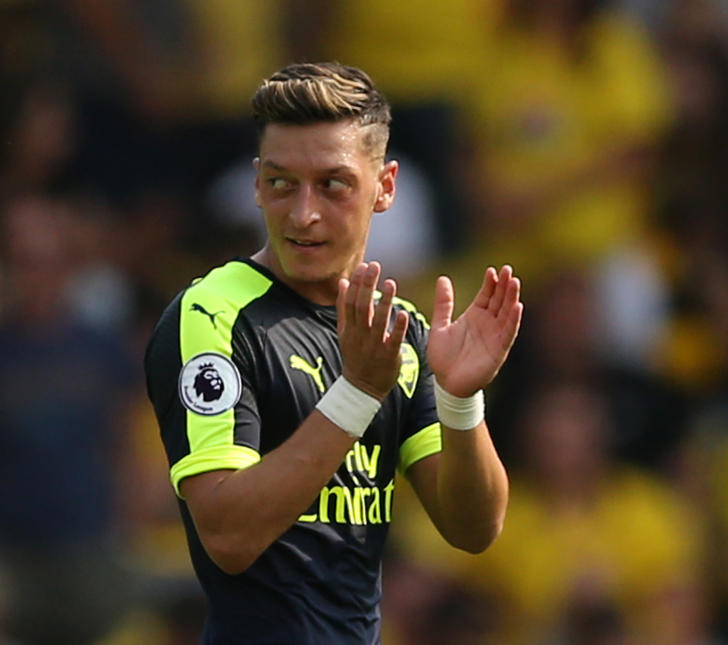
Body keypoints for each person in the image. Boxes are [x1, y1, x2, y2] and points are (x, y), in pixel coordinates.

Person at [143, 62, 522, 644]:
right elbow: (228, 538)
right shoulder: (214, 315)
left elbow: (474, 528)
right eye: (280, 183)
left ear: (385, 186)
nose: (303, 214)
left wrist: (460, 400)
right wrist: (357, 394)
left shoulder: (397, 332)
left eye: (333, 184)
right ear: (255, 183)